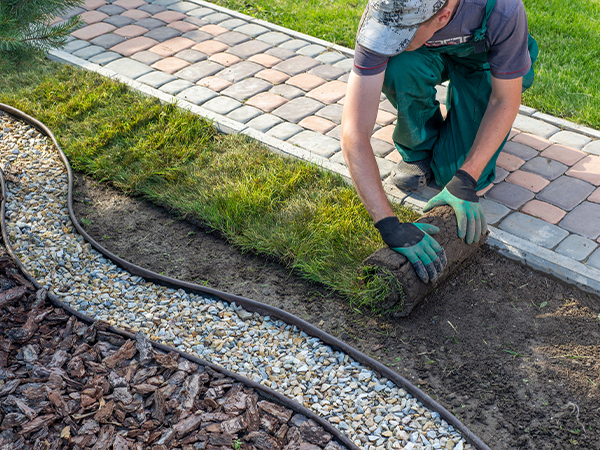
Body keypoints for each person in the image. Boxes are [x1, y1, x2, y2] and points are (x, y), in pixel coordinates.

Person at [341, 0, 537, 283]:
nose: (389, 40)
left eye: (401, 35)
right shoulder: (388, 13)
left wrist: (466, 179)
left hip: (481, 60)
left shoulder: (503, 9)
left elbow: (505, 99)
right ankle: (418, 148)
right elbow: (354, 132)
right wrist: (387, 224)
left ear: (443, 16)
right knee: (398, 64)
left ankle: (462, 119)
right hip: (424, 53)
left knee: (454, 175)